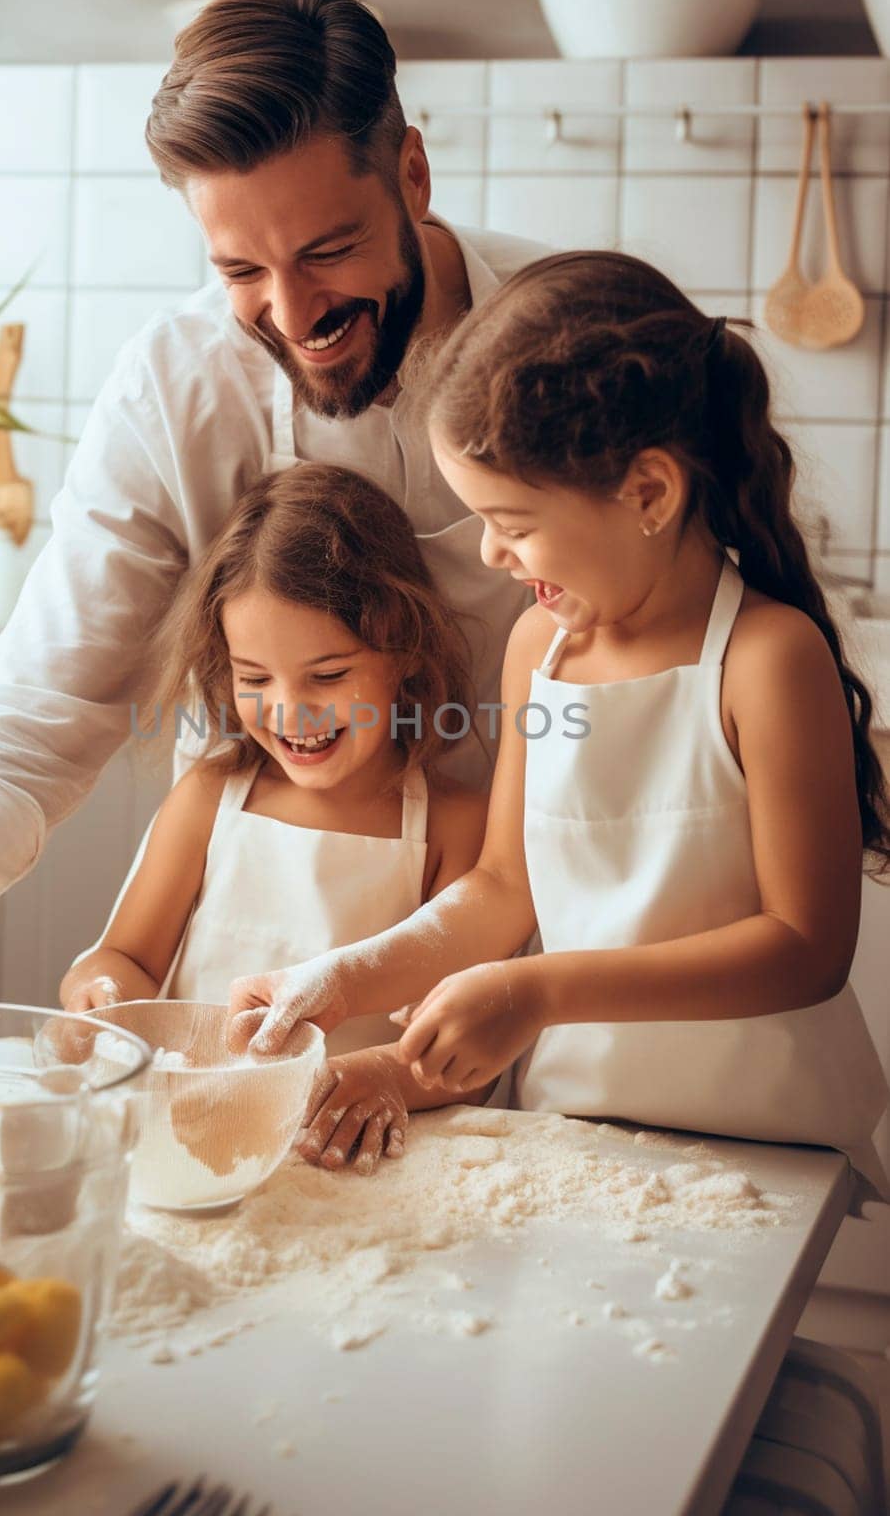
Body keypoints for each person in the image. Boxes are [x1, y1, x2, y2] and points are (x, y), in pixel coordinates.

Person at [0, 0, 543, 1000]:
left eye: (328, 251)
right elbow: (35, 708)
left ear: (412, 175)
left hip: (553, 953)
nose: (293, 314)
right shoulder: (175, 385)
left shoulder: (556, 337)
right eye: (239, 270)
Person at [228, 250, 890, 1208]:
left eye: (513, 520)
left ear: (649, 493)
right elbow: (502, 888)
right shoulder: (538, 646)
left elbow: (804, 946)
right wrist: (346, 979)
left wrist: (537, 992)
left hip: (778, 1162)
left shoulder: (766, 659)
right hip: (577, 1144)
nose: (494, 554)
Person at [59, 463, 490, 1172]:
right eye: (254, 678)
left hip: (355, 1154)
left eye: (327, 676)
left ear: (403, 654)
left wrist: (377, 1081)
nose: (289, 711)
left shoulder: (453, 824)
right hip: (198, 1135)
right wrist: (99, 999)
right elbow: (125, 959)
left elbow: (461, 1045)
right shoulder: (210, 797)